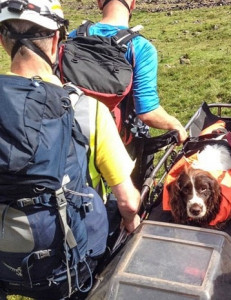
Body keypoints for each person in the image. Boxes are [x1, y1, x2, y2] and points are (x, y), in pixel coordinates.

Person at [0, 0, 140, 234]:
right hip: (70, 258)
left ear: (2, 41)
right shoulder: (88, 109)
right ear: (56, 40)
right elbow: (129, 203)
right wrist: (130, 221)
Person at [68, 0, 188, 189]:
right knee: (130, 200)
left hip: (75, 136)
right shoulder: (140, 47)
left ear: (100, 3)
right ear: (133, 4)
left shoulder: (74, 37)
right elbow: (147, 112)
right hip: (121, 142)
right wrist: (176, 125)